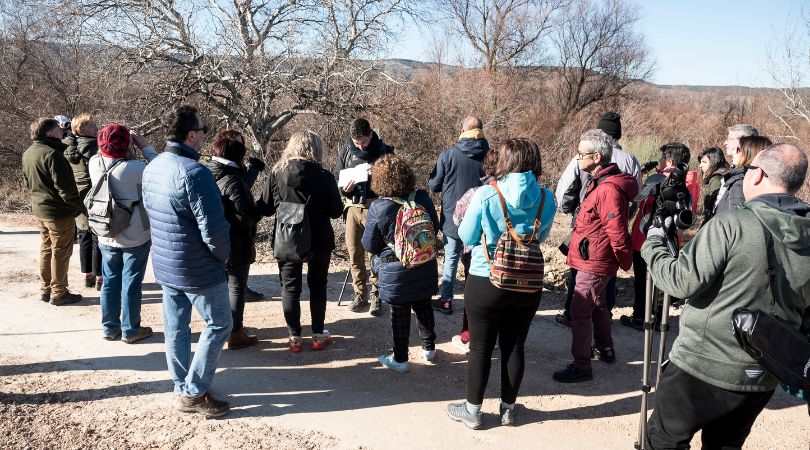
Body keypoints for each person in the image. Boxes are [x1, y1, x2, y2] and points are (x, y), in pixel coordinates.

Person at [642, 143, 810, 448]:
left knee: (663, 441)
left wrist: (653, 244)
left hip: (702, 368)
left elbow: (680, 282)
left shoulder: (730, 224)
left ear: (758, 176)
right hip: (763, 373)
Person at [447, 138, 556, 429]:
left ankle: (473, 411)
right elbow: (541, 238)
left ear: (506, 161)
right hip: (527, 283)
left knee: (481, 347)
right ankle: (508, 409)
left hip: (486, 278)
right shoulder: (547, 197)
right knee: (515, 346)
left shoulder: (486, 193)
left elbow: (467, 236)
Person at [142, 105, 233, 417]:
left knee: (176, 327)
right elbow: (214, 229)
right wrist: (222, 257)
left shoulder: (153, 166)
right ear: (192, 135)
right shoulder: (195, 172)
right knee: (220, 323)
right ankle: (192, 392)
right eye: (203, 129)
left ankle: (183, 385)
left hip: (166, 263)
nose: (205, 134)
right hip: (198, 266)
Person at [553, 129, 638, 383]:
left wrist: (624, 262)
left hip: (595, 260)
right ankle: (605, 348)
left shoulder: (608, 190)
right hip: (592, 257)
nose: (578, 158)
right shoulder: (598, 181)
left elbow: (617, 230)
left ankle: (581, 366)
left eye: (581, 154)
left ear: (598, 157)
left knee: (580, 311)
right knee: (599, 305)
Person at [554, 112, 641, 328]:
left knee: (580, 271)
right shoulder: (630, 160)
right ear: (618, 135)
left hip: (586, 219)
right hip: (614, 224)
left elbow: (564, 188)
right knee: (606, 273)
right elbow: (637, 194)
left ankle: (572, 315)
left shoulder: (586, 153)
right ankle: (603, 319)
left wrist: (569, 209)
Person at [258, 131, 343, 352]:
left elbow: (266, 208)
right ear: (316, 149)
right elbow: (335, 212)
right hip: (319, 238)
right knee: (318, 286)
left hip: (288, 237)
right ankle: (317, 335)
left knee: (289, 289)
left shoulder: (276, 173)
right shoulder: (324, 176)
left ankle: (294, 337)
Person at [362, 154, 439, 372]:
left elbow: (369, 244)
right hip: (424, 262)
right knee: (423, 305)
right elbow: (434, 227)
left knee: (400, 312)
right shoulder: (422, 197)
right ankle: (429, 348)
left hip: (395, 268)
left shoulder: (379, 206)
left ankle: (400, 359)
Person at [88, 124, 157, 343]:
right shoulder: (136, 168)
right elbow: (161, 168)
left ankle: (110, 327)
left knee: (110, 282)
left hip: (106, 232)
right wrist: (144, 146)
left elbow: (104, 154)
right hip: (135, 234)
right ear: (126, 144)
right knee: (131, 283)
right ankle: (130, 330)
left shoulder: (94, 163)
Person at [619, 143, 698, 331]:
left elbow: (642, 202)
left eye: (663, 158)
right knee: (661, 278)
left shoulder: (658, 180)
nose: (660, 161)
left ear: (669, 161)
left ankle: (641, 317)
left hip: (646, 236)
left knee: (642, 280)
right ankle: (660, 317)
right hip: (671, 238)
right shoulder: (690, 182)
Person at [204, 130, 266, 350]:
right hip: (236, 241)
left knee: (218, 286)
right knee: (236, 287)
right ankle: (235, 332)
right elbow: (245, 214)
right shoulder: (232, 178)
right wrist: (261, 207)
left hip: (214, 238)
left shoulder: (207, 170)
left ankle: (218, 327)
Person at [428, 116, 489, 315]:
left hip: (452, 217)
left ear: (462, 131)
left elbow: (434, 185)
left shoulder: (448, 155)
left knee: (451, 258)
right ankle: (475, 303)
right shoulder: (490, 156)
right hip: (480, 219)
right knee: (475, 261)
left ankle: (446, 300)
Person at [334, 118, 394, 316]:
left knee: (375, 253)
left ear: (370, 134)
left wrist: (376, 174)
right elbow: (337, 178)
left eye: (363, 142)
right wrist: (344, 189)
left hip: (376, 207)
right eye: (356, 142)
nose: (360, 145)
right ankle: (360, 293)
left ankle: (377, 294)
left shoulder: (384, 150)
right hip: (352, 207)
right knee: (354, 252)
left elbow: (395, 181)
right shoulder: (345, 151)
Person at [21, 117, 83, 305]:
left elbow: (27, 183)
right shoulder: (53, 154)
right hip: (58, 213)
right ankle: (59, 292)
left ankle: (45, 289)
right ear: (48, 132)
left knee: (47, 248)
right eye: (58, 129)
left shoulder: (29, 153)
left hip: (40, 210)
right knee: (60, 252)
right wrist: (80, 208)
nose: (61, 131)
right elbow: (66, 189)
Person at [448, 150, 499, 354]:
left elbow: (457, 220)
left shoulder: (475, 193)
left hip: (476, 254)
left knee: (474, 298)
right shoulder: (512, 193)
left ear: (485, 168)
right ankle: (491, 336)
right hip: (507, 256)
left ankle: (468, 335)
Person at [64, 113, 103, 290]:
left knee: (84, 235)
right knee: (97, 236)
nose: (96, 128)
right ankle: (100, 276)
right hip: (94, 194)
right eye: (92, 126)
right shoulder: (94, 146)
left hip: (78, 195)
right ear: (81, 129)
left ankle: (87, 276)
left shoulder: (67, 146)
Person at [714, 135, 772, 215]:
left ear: (749, 153)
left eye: (738, 149)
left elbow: (735, 217)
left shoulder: (741, 181)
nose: (734, 152)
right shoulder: (769, 180)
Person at [696, 147, 728, 224]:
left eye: (704, 162)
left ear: (714, 162)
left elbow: (715, 206)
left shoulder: (716, 179)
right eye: (700, 162)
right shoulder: (726, 173)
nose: (700, 165)